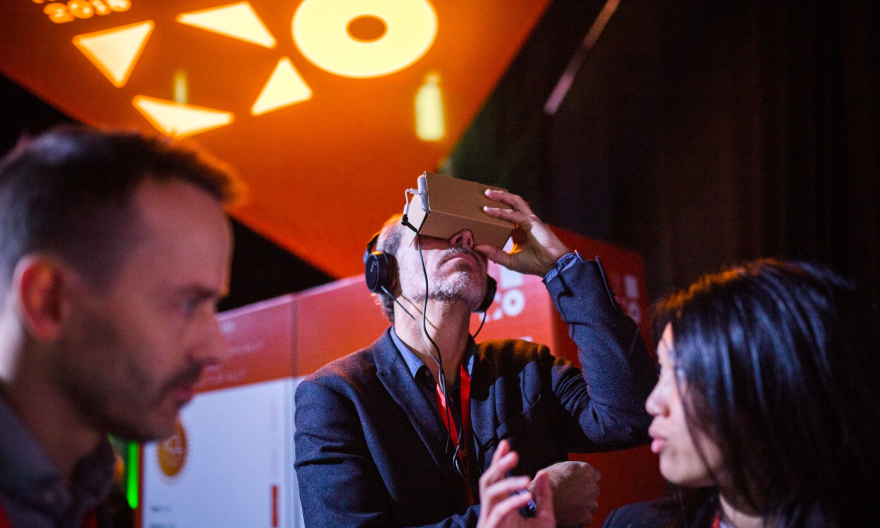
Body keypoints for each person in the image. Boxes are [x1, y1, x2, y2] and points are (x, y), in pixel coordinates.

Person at [294, 189, 658, 528]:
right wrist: (528, 504)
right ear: (384, 272)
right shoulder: (336, 396)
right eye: (433, 227)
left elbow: (629, 416)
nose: (462, 239)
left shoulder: (526, 366)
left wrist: (560, 267)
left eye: (470, 235)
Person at [0, 125, 239, 528]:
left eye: (213, 305)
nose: (216, 348)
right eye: (186, 303)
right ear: (48, 301)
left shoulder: (86, 499)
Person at [602, 260, 880, 528]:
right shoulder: (630, 523)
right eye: (662, 370)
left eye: (685, 373)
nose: (653, 403)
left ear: (778, 390)